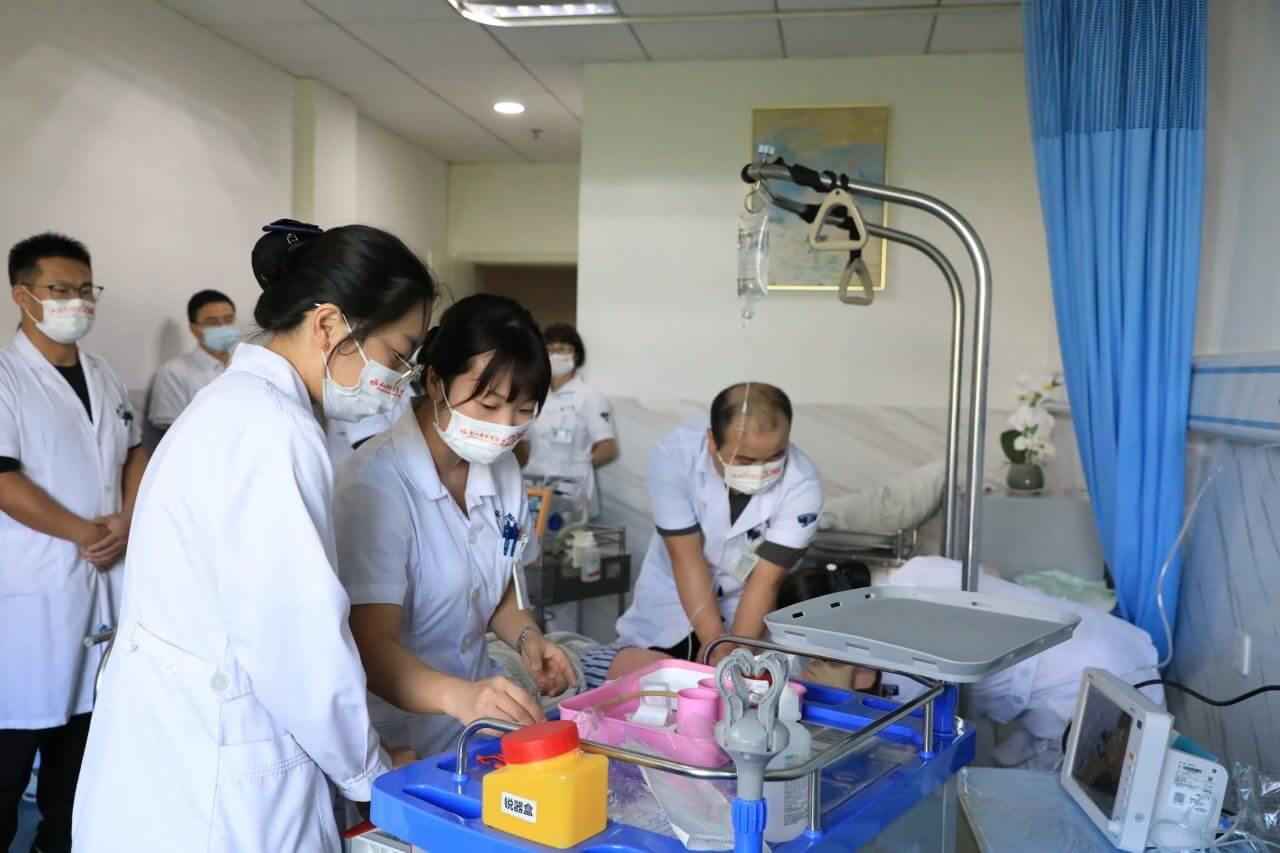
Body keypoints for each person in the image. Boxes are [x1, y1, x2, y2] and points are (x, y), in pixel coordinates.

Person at [72, 220, 433, 851]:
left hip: (171, 759)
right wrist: (369, 770)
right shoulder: (272, 430)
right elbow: (297, 642)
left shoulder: (236, 406)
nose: (400, 377)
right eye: (399, 354)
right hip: (221, 779)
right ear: (329, 325)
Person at [335, 294, 578, 760]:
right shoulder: (374, 483)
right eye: (488, 404)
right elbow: (371, 644)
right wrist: (460, 697)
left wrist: (529, 639)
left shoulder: (503, 470)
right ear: (435, 381)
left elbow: (497, 587)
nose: (504, 427)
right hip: (399, 736)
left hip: (477, 727)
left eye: (523, 410)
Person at [0, 233, 146, 853]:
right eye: (59, 289)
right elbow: (3, 479)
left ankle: (58, 842)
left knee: (81, 758)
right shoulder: (5, 376)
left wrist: (129, 517)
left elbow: (135, 451)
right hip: (32, 590)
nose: (76, 302)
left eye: (86, 290)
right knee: (13, 753)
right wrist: (89, 532)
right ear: (22, 295)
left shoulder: (103, 373)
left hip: (103, 585)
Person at [614, 383, 823, 665]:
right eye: (745, 460)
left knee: (739, 672)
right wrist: (714, 639)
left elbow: (767, 580)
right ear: (712, 440)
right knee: (650, 674)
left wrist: (733, 653)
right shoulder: (674, 456)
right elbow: (686, 557)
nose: (761, 471)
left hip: (747, 604)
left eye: (775, 457)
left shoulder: (802, 483)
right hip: (673, 598)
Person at [517, 323, 618, 517]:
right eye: (550, 350)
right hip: (534, 486)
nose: (555, 355)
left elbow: (608, 449)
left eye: (562, 349)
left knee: (566, 533)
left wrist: (576, 466)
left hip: (572, 489)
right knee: (532, 531)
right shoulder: (535, 397)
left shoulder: (589, 397)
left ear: (576, 355)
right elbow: (527, 442)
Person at [146, 289, 238, 433]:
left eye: (228, 320)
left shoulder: (244, 365)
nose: (222, 327)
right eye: (212, 322)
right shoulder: (174, 372)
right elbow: (170, 429)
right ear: (194, 328)